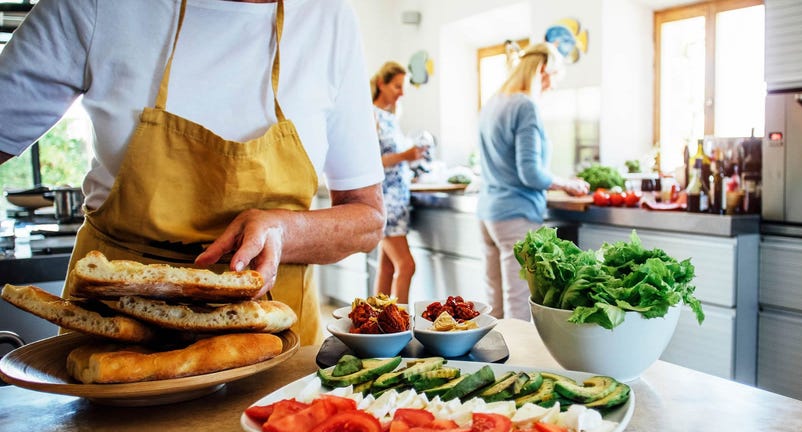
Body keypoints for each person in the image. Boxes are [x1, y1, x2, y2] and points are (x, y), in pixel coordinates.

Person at [0, 0, 386, 346]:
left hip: (273, 338)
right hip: (114, 331)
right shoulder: (96, 6)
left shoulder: (329, 18)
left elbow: (367, 219)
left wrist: (284, 232)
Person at [476, 42, 590, 321]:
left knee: (495, 306)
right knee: (520, 307)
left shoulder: (493, 102)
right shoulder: (525, 105)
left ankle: (498, 362)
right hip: (515, 215)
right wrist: (567, 184)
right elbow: (530, 173)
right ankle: (519, 364)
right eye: (552, 79)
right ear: (541, 70)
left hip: (487, 214)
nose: (550, 87)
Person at [370, 61, 425, 304]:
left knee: (388, 267)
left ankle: (376, 323)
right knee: (407, 265)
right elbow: (371, 162)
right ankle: (400, 324)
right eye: (397, 86)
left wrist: (411, 162)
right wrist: (405, 156)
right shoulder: (372, 116)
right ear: (381, 84)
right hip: (386, 202)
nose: (402, 92)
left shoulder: (392, 117)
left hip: (398, 200)